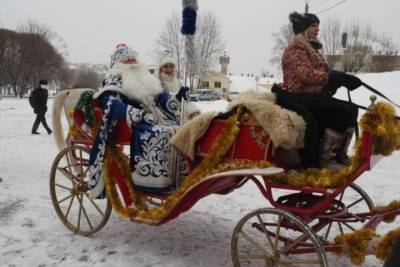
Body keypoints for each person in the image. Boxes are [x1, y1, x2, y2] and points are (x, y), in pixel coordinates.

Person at [88, 44, 189, 198]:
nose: (132, 63)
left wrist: (177, 97)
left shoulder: (146, 79)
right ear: (118, 64)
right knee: (159, 134)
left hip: (158, 118)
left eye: (133, 59)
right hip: (134, 121)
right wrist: (136, 114)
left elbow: (159, 97)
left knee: (181, 130)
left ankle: (178, 175)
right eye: (127, 61)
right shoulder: (114, 79)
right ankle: (152, 183)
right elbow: (111, 103)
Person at [272, 11, 362, 170]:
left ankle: (338, 153)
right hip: (297, 97)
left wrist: (336, 81)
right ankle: (325, 158)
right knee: (342, 112)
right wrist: (332, 78)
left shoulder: (312, 49)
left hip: (311, 96)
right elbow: (304, 75)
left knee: (352, 109)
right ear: (303, 29)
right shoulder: (296, 48)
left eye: (318, 26)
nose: (317, 29)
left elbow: (318, 78)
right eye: (313, 26)